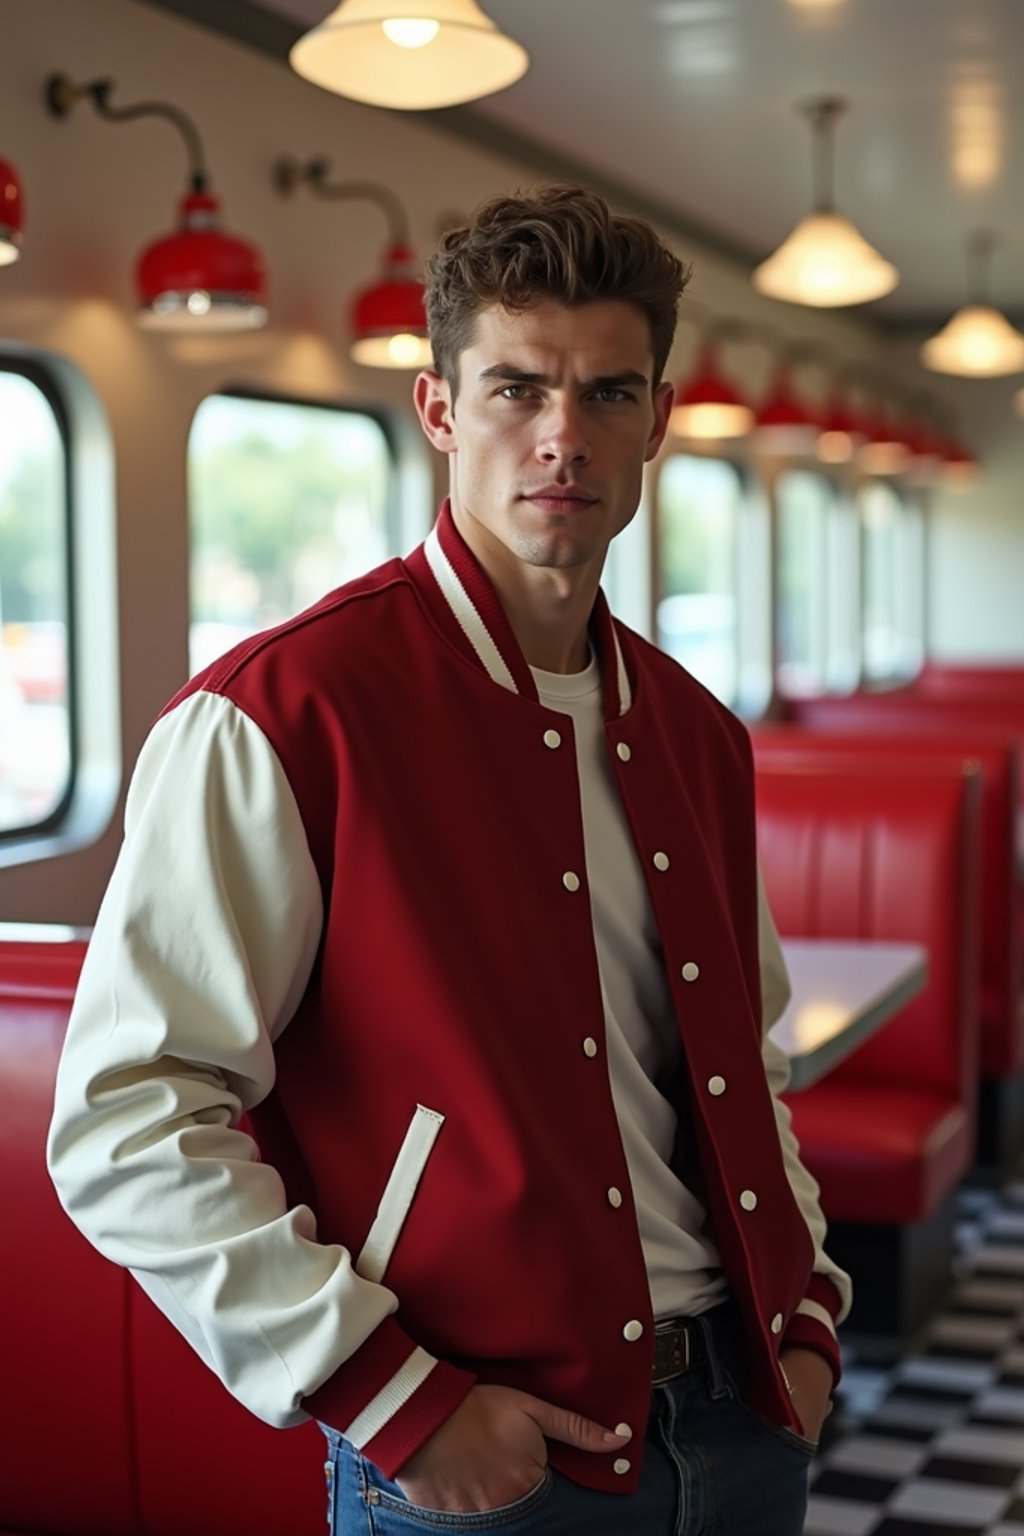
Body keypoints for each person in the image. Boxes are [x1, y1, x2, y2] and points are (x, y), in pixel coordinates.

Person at [48, 184, 850, 1535]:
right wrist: (392, 1398)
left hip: (746, 1421)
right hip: (488, 1459)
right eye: (515, 390)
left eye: (606, 394)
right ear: (437, 410)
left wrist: (812, 1308)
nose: (562, 438)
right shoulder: (284, 712)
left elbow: (742, 1057)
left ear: (656, 420)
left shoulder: (698, 731)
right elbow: (128, 1117)